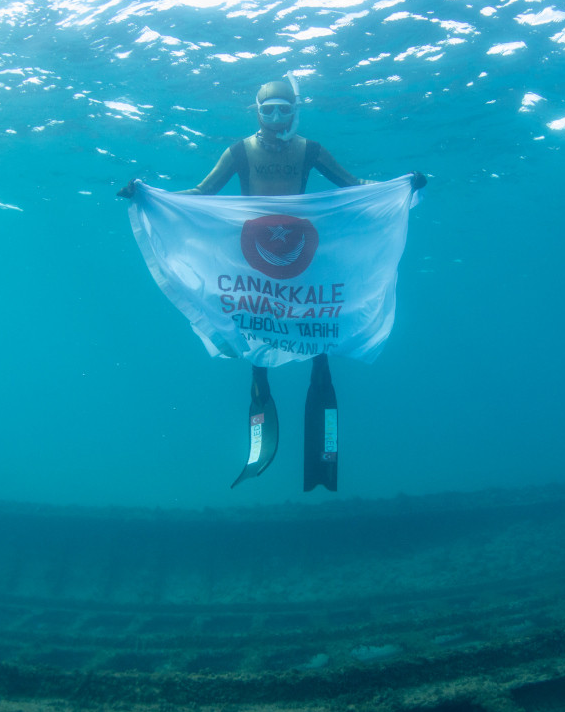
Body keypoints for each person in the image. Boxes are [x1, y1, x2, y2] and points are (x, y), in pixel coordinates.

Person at [120, 76, 425, 491]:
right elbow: (202, 193)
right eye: (269, 110)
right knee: (257, 328)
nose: (277, 118)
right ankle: (260, 387)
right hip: (249, 258)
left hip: (306, 253)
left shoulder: (310, 151)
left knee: (315, 332)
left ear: (296, 110)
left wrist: (401, 186)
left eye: (284, 109)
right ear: (257, 112)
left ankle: (319, 383)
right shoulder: (239, 152)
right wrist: (148, 196)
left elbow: (354, 188)